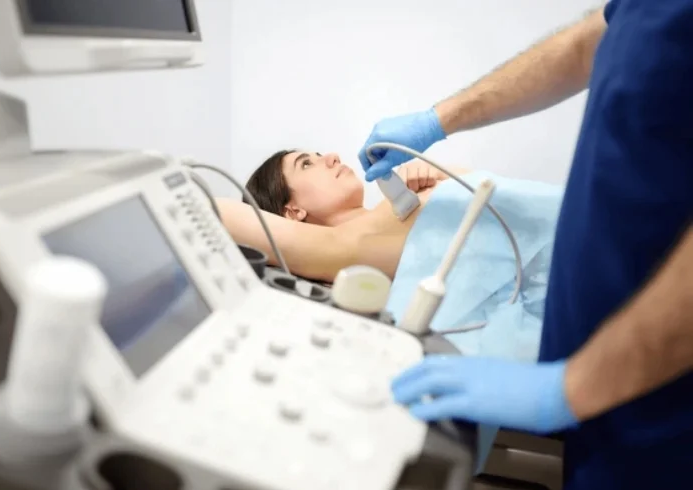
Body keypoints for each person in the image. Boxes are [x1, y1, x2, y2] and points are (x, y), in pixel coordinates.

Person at [359, 3, 693, 489]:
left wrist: (569, 389)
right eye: (304, 164)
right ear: (293, 210)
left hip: (658, 389)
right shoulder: (362, 226)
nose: (327, 159)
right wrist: (437, 120)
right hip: (605, 378)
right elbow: (590, 41)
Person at [217, 149, 474, 282]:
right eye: (306, 164)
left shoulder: (403, 196)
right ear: (292, 211)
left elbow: (485, 188)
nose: (332, 157)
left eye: (318, 156)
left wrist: (438, 174)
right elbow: (217, 210)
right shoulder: (335, 248)